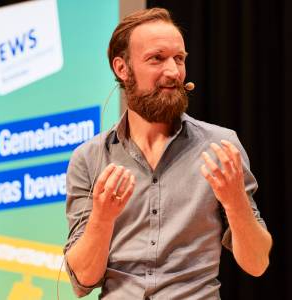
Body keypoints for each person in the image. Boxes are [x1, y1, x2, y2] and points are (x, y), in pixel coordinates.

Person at [64, 7, 272, 299]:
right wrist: (102, 217)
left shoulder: (220, 146)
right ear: (122, 69)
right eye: (156, 59)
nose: (173, 72)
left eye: (179, 59)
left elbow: (257, 263)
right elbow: (83, 280)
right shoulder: (89, 158)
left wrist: (236, 202)